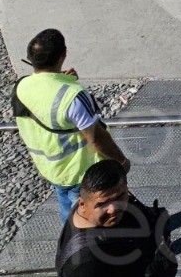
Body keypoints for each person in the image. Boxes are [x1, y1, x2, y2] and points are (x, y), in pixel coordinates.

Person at [12, 30, 130, 225]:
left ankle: (69, 237)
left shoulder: (21, 86)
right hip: (82, 172)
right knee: (88, 221)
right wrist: (121, 161)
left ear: (30, 58)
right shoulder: (73, 96)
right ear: (63, 54)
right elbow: (96, 138)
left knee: (68, 215)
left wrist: (63, 80)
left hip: (52, 169)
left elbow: (45, 100)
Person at [56, 160, 176, 277]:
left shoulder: (88, 209)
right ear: (82, 204)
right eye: (103, 204)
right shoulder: (84, 265)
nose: (113, 209)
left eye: (120, 197)